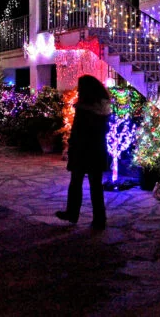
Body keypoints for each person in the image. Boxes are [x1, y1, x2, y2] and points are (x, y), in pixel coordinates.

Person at [55, 75, 111, 231]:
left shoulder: (84, 109)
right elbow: (104, 130)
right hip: (98, 149)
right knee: (95, 186)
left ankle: (72, 213)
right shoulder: (103, 109)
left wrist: (71, 146)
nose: (78, 90)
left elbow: (78, 131)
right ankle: (99, 219)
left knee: (76, 183)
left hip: (82, 150)